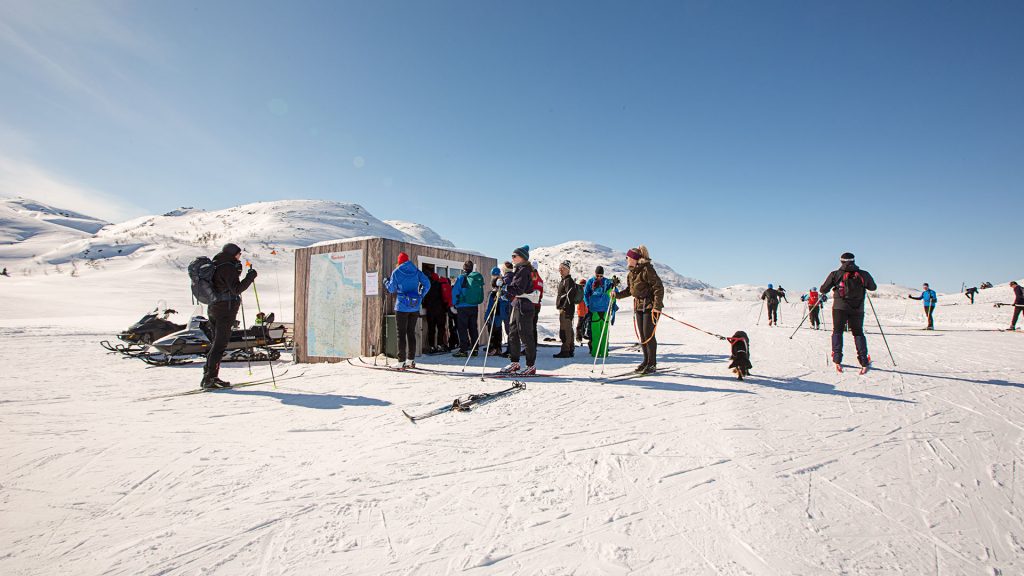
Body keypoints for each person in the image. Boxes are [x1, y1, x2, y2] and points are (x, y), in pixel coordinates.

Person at [202, 243, 257, 389]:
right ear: (233, 253)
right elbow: (236, 289)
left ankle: (208, 376)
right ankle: (210, 379)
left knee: (216, 344)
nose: (240, 257)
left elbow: (224, 285)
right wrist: (250, 277)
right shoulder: (227, 267)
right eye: (239, 254)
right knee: (220, 345)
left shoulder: (217, 264)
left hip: (214, 308)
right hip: (224, 310)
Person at [819, 252, 877, 372]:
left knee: (837, 332)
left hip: (839, 307)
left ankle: (837, 359)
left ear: (841, 261)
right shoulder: (863, 274)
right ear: (854, 261)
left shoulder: (835, 274)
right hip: (858, 308)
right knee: (858, 333)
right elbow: (873, 287)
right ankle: (863, 361)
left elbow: (823, 289)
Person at [613, 245, 665, 374]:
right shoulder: (631, 273)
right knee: (642, 336)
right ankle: (646, 361)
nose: (626, 259)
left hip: (650, 307)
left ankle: (652, 363)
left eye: (628, 257)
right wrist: (617, 295)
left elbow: (658, 287)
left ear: (634, 259)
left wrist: (657, 306)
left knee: (648, 335)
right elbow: (630, 291)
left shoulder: (647, 269)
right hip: (638, 306)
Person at [384, 252, 431, 368]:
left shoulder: (396, 272)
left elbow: (391, 289)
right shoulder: (416, 271)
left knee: (401, 334)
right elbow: (427, 284)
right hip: (414, 307)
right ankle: (411, 360)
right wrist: (420, 296)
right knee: (411, 333)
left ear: (399, 261)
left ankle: (401, 362)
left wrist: (386, 281)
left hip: (401, 307)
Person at [500, 245, 538, 375]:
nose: (512, 258)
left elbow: (519, 289)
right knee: (513, 333)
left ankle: (531, 365)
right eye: (512, 256)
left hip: (525, 306)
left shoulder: (524, 270)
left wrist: (506, 289)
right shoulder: (519, 269)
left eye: (514, 256)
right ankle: (515, 362)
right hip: (518, 305)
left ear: (522, 257)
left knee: (525, 335)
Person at [451, 260, 484, 358]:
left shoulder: (461, 278)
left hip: (463, 307)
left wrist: (454, 304)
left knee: (463, 329)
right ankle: (475, 349)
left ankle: (463, 350)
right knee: (473, 328)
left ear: (464, 268)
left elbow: (455, 292)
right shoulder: (475, 278)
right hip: (474, 306)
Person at [584, 266, 615, 357]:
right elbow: (585, 294)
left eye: (601, 276)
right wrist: (588, 305)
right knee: (596, 334)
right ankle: (595, 353)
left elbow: (613, 293)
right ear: (595, 274)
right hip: (594, 311)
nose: (599, 277)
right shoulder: (590, 282)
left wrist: (614, 286)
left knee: (604, 334)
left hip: (605, 310)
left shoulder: (607, 282)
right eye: (597, 275)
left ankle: (604, 352)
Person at [485, 266, 511, 356]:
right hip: (502, 312)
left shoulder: (494, 291)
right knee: (498, 330)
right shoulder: (503, 284)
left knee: (493, 331)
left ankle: (494, 348)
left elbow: (489, 306)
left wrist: (486, 316)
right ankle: (498, 348)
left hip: (496, 313)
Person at [554, 260, 577, 358]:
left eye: (563, 268)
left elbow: (569, 296)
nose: (560, 270)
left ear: (568, 270)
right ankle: (570, 349)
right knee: (568, 329)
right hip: (566, 309)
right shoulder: (564, 280)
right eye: (560, 268)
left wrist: (564, 307)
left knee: (565, 330)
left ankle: (566, 350)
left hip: (566, 310)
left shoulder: (568, 281)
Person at [422, 267, 447, 353]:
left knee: (431, 329)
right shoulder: (439, 284)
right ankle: (440, 345)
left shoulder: (426, 286)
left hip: (430, 310)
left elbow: (423, 299)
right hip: (440, 310)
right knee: (441, 328)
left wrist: (425, 305)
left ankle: (432, 346)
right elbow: (444, 297)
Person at [530, 262, 544, 345]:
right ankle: (534, 344)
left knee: (529, 326)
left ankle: (530, 346)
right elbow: (541, 294)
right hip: (537, 304)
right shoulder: (540, 279)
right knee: (533, 326)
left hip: (531, 304)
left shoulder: (531, 277)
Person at [575, 278, 590, 344]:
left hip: (586, 311)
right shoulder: (578, 292)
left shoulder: (587, 292)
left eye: (584, 285)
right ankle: (578, 337)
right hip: (581, 312)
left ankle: (583, 335)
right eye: (581, 285)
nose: (583, 286)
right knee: (579, 325)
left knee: (586, 324)